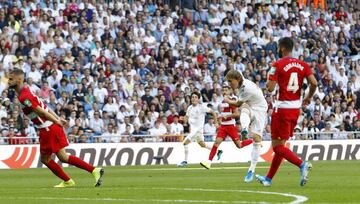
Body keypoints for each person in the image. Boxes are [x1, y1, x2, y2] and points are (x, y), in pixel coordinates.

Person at [7, 69, 104, 188]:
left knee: (45, 159)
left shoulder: (24, 96)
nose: (8, 81)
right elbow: (44, 107)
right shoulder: (26, 91)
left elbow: (41, 112)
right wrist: (57, 119)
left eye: (11, 78)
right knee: (63, 157)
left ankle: (69, 180)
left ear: (19, 79)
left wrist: (56, 120)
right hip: (51, 126)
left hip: (48, 128)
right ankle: (94, 170)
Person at [256, 37, 317, 186]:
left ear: (282, 48)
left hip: (282, 109)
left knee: (277, 147)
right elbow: (314, 83)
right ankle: (268, 179)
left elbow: (270, 88)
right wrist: (308, 98)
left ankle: (302, 164)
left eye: (278, 47)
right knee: (281, 145)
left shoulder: (277, 64)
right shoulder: (303, 64)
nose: (277, 50)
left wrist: (269, 78)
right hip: (295, 110)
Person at [224, 69, 268, 183]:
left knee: (257, 140)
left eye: (230, 81)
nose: (229, 84)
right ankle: (244, 129)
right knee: (244, 108)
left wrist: (227, 100)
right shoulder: (240, 79)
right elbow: (237, 72)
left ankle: (251, 170)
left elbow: (237, 103)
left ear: (237, 79)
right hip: (251, 105)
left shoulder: (247, 89)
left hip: (260, 109)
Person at [200, 83, 253, 169]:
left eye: (226, 90)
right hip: (223, 127)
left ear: (229, 91)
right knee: (216, 143)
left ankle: (254, 141)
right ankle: (208, 162)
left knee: (239, 145)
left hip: (231, 126)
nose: (224, 92)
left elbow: (236, 114)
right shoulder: (221, 102)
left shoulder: (232, 101)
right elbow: (220, 114)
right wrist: (217, 122)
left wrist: (227, 116)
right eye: (223, 90)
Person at [177, 92, 219, 167]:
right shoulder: (189, 107)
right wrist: (183, 119)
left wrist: (216, 122)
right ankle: (218, 151)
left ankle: (185, 161)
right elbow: (186, 118)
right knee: (202, 144)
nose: (193, 98)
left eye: (195, 97)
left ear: (198, 99)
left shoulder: (202, 107)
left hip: (197, 130)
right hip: (195, 130)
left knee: (185, 143)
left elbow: (213, 112)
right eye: (192, 97)